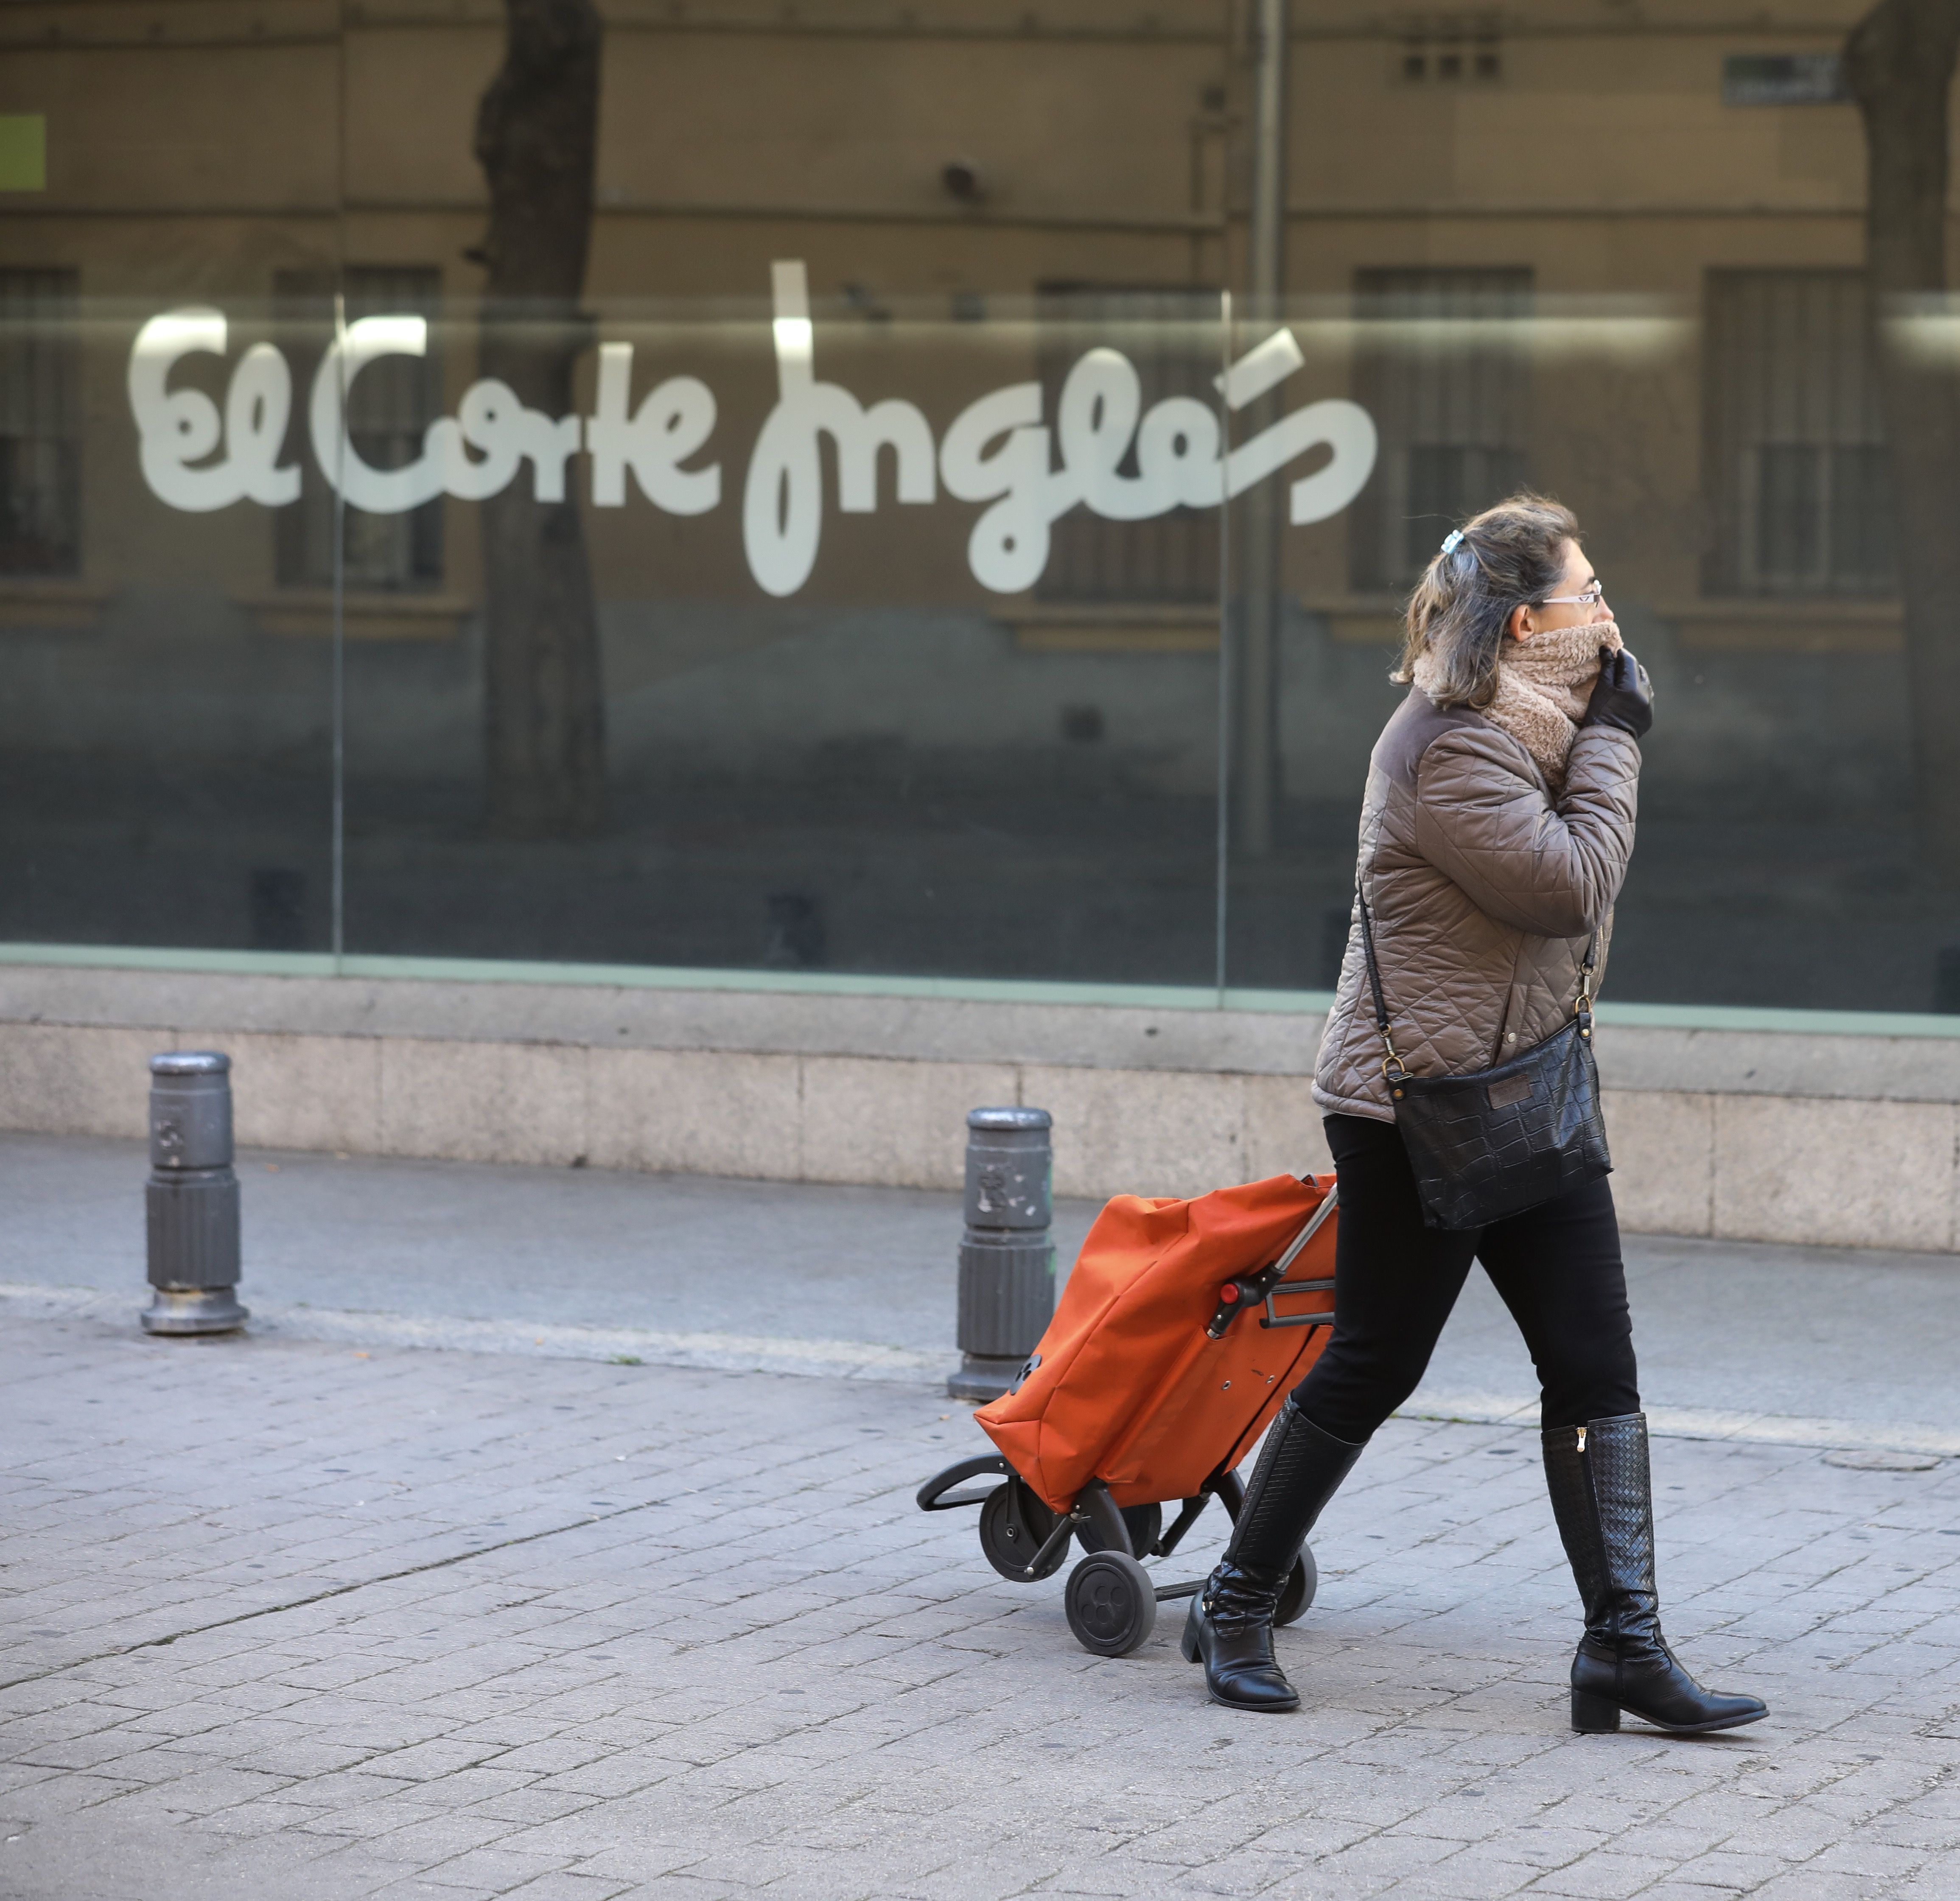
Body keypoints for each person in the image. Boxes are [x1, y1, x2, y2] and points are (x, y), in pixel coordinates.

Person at [1181, 493, 1767, 1736]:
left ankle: (1622, 1645)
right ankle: (1234, 1602)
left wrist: (1592, 735)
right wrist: (1616, 741)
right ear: (1517, 623)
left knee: (1596, 1373)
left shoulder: (1538, 725)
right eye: (1585, 594)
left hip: (1527, 1087)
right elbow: (1566, 887)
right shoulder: (1448, 746)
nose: (1607, 617)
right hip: (1414, 1109)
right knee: (1376, 1362)